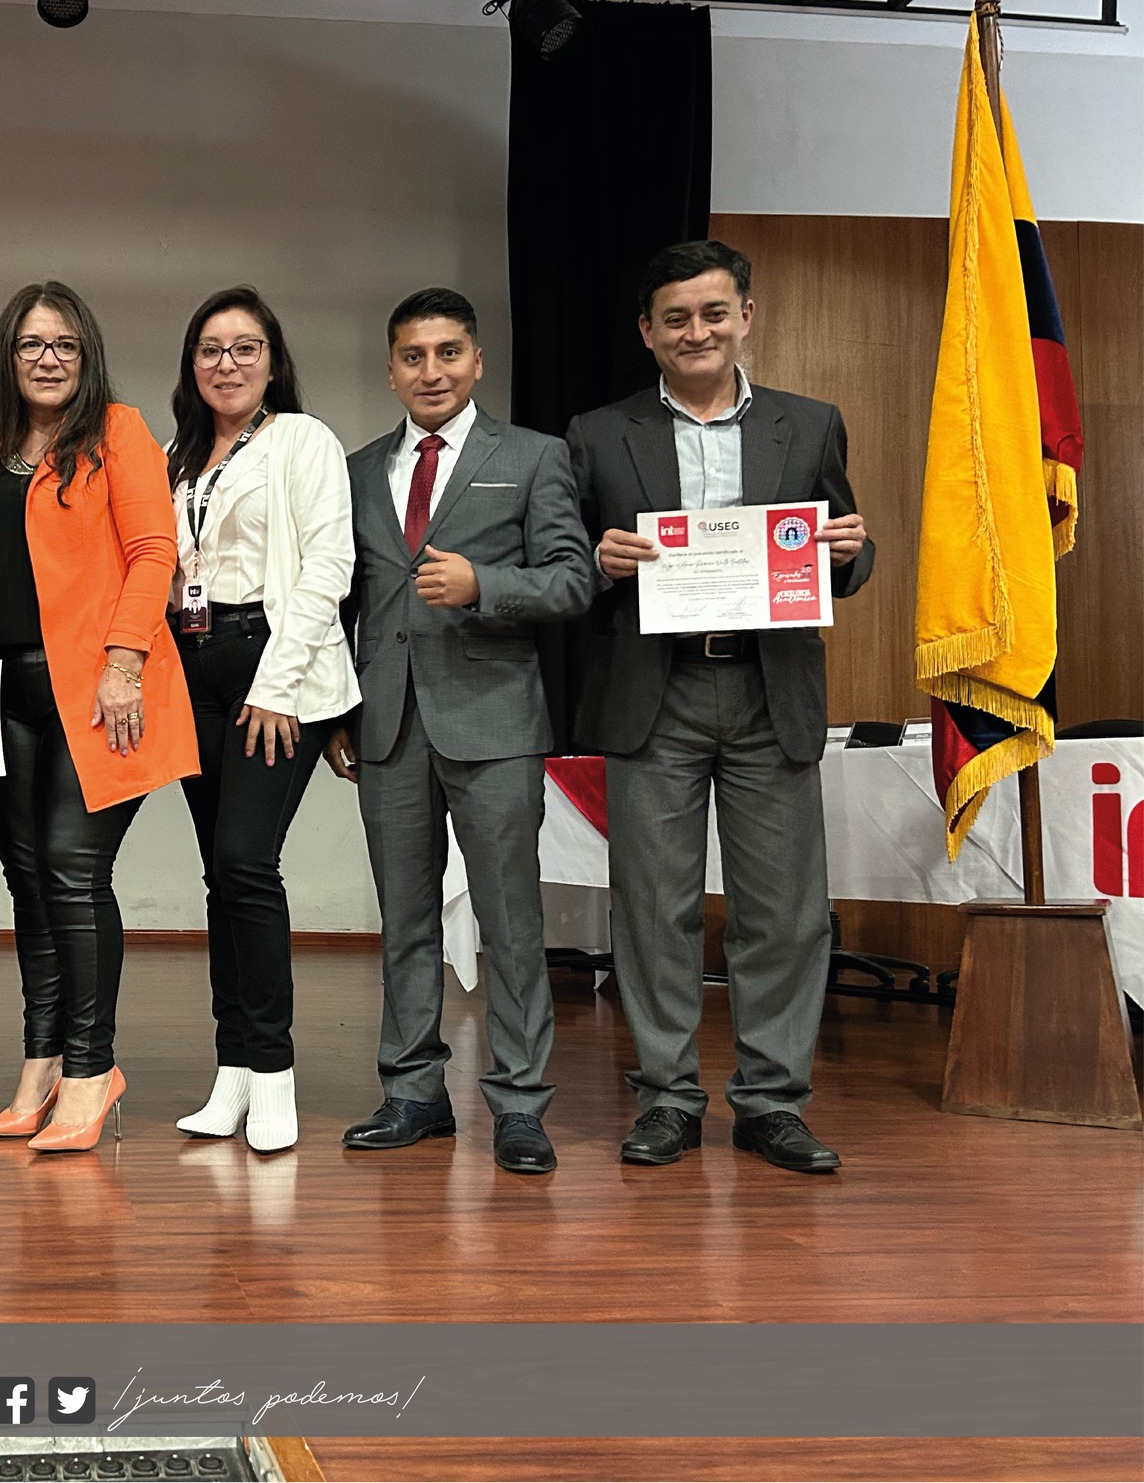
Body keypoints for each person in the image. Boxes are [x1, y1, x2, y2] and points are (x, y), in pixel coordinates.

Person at [568, 239, 872, 1174]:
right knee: (652, 907)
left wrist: (849, 551)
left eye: (712, 312)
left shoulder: (809, 424)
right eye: (675, 318)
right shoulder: (597, 433)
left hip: (768, 689)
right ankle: (666, 1097)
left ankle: (772, 1103)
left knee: (783, 912)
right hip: (652, 692)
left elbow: (843, 555)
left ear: (746, 315)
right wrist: (600, 563)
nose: (695, 331)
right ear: (647, 331)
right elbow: (565, 568)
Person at [325, 288, 593, 1171]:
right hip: (386, 726)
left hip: (496, 721)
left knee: (510, 920)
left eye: (448, 353)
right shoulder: (358, 469)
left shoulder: (534, 456)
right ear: (390, 369)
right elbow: (344, 600)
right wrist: (338, 711)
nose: (431, 371)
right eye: (413, 356)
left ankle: (519, 1102)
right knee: (404, 920)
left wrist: (487, 585)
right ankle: (413, 1092)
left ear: (477, 362)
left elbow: (573, 579)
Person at [0, 281, 200, 1152]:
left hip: (99, 689)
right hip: (2, 694)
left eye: (65, 344)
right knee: (28, 881)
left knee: (72, 870)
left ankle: (92, 1069)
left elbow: (153, 550)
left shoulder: (118, 431)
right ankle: (40, 1065)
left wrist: (124, 662)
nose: (48, 358)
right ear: (9, 355)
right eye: (32, 343)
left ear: (86, 354)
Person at [165, 286, 358, 1154]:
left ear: (273, 362)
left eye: (246, 348)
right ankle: (233, 1069)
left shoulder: (301, 440)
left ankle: (274, 1072)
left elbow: (328, 568)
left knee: (247, 861)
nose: (228, 363)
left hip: (273, 667)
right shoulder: (177, 455)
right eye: (211, 348)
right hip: (194, 667)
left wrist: (277, 686)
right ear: (192, 364)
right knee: (221, 874)